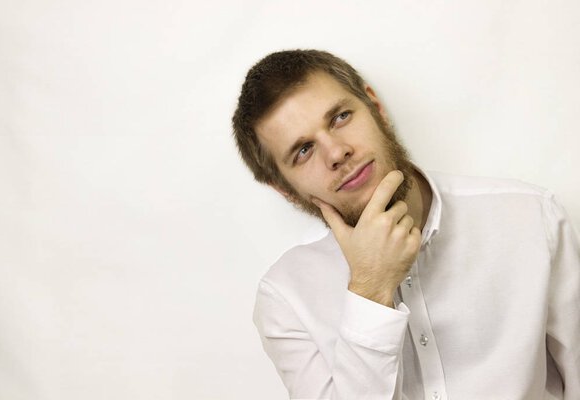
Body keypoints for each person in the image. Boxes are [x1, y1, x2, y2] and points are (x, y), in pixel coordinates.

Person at [232, 49, 580, 399]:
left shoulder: (532, 218)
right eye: (304, 150)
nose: (336, 153)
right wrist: (370, 289)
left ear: (376, 108)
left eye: (340, 117)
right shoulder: (286, 299)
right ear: (285, 190)